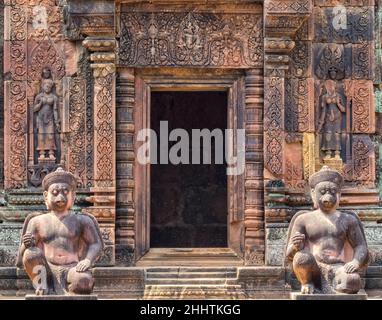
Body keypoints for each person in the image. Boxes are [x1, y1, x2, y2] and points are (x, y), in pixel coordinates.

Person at [16, 168, 104, 295]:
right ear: (46, 196)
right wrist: (26, 243)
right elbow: (22, 255)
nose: (60, 197)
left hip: (73, 268)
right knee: (30, 253)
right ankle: (42, 285)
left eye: (65, 192)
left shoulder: (82, 220)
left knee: (84, 282)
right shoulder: (36, 221)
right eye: (55, 192)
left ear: (73, 196)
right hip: (45, 269)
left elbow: (96, 244)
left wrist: (87, 260)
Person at [285, 166, 369, 294]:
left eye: (332, 192)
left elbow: (360, 246)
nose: (328, 196)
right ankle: (307, 283)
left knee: (353, 281)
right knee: (301, 258)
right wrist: (296, 247)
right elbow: (289, 254)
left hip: (338, 267)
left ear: (339, 194)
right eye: (323, 192)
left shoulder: (348, 219)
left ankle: (332, 286)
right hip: (312, 268)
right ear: (313, 193)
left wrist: (356, 262)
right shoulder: (303, 219)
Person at [317, 80, 346, 160]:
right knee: (328, 134)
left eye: (331, 86)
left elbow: (344, 110)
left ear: (334, 86)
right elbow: (324, 110)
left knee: (337, 134)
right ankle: (328, 152)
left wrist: (338, 103)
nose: (330, 87)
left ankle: (337, 152)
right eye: (328, 86)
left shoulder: (338, 96)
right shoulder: (324, 97)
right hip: (328, 118)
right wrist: (321, 121)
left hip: (337, 118)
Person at [34, 78, 60, 160]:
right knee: (41, 136)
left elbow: (55, 110)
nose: (47, 88)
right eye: (46, 86)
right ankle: (42, 152)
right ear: (43, 86)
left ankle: (51, 152)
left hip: (50, 118)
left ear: (51, 88)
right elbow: (34, 109)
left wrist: (57, 122)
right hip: (41, 119)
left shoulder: (54, 97)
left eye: (49, 87)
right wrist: (40, 104)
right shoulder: (39, 97)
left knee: (50, 135)